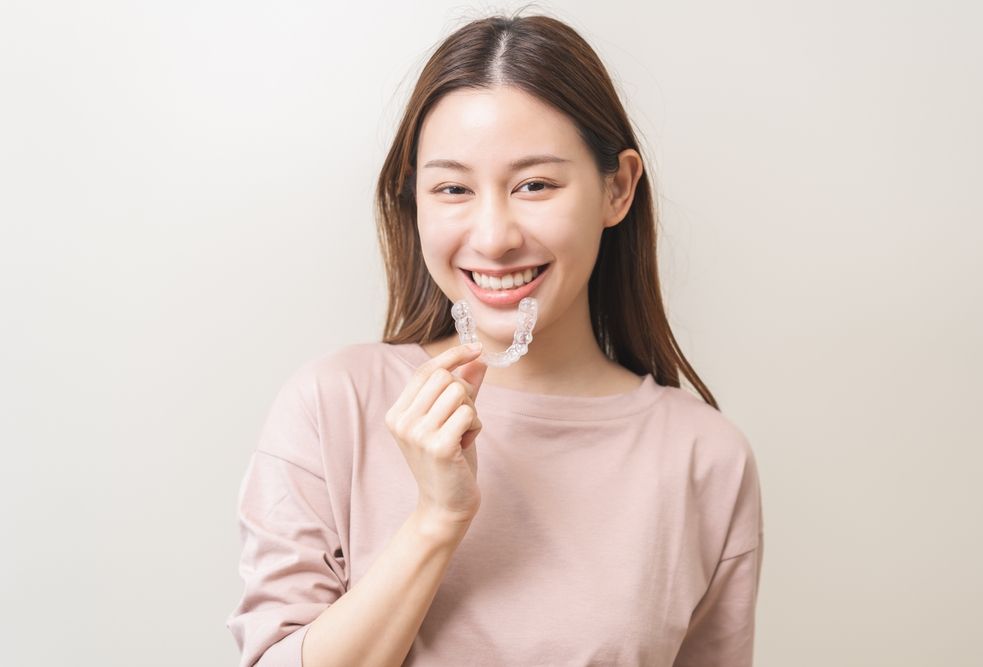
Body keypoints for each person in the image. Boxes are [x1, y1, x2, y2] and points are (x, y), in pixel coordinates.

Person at [226, 10, 764, 667]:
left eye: (534, 184)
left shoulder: (705, 458)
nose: (494, 235)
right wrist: (435, 520)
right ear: (415, 200)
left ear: (617, 188)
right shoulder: (331, 406)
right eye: (453, 188)